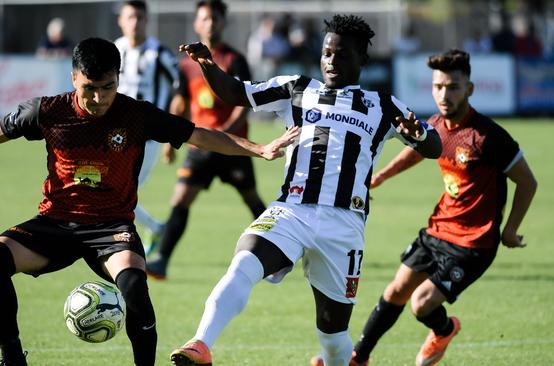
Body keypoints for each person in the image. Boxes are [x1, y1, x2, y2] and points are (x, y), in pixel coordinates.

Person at [0, 37, 299, 366]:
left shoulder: (135, 115)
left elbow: (199, 134)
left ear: (118, 79)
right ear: (74, 78)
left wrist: (258, 149)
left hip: (111, 228)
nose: (98, 98)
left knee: (134, 286)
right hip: (55, 224)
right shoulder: (47, 111)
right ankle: (13, 360)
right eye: (89, 88)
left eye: (108, 87)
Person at [168, 14, 442, 366]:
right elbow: (236, 92)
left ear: (362, 59)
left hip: (343, 226)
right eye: (327, 53)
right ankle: (200, 344)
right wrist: (208, 65)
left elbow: (434, 146)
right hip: (292, 210)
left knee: (333, 335)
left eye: (341, 55)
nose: (331, 61)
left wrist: (419, 134)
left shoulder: (383, 106)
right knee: (243, 263)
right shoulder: (297, 89)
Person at [317, 49, 537, 366]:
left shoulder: (488, 137)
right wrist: (381, 176)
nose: (444, 94)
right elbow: (417, 151)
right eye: (438, 87)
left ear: (469, 89)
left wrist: (511, 229)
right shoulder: (436, 124)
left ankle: (445, 330)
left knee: (421, 304)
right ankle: (358, 358)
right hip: (438, 230)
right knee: (395, 291)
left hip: (473, 243)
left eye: (453, 86)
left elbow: (528, 182)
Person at [146, 0, 268, 280]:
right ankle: (162, 260)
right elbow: (180, 103)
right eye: (205, 18)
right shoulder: (185, 64)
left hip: (233, 146)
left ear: (224, 23)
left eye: (215, 18)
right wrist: (168, 141)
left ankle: (282, 248)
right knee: (180, 200)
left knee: (252, 200)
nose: (210, 23)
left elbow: (245, 101)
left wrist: (226, 130)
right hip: (200, 145)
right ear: (196, 23)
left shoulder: (234, 60)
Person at [114, 0, 180, 254]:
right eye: (129, 17)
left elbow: (180, 89)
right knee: (116, 192)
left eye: (139, 17)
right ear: (121, 20)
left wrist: (170, 133)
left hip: (148, 137)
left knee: (123, 194)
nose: (134, 22)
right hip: (117, 135)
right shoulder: (115, 50)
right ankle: (152, 229)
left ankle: (130, 241)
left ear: (146, 20)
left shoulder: (159, 53)